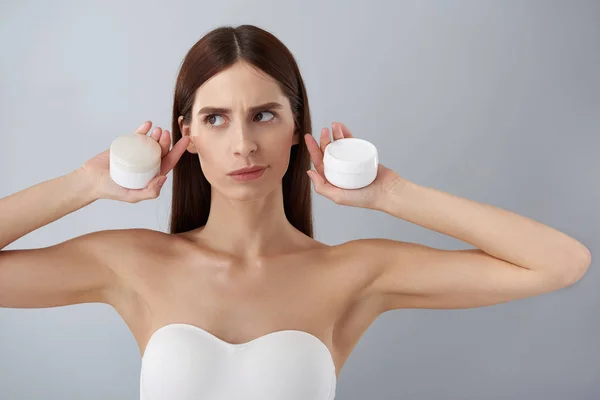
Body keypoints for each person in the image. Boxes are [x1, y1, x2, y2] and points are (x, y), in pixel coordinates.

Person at [0, 24, 591, 400]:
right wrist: (84, 184)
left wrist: (389, 193)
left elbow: (560, 263)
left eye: (264, 115)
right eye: (215, 119)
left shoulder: (355, 273)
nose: (243, 145)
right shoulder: (130, 261)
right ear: (188, 137)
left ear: (296, 130)